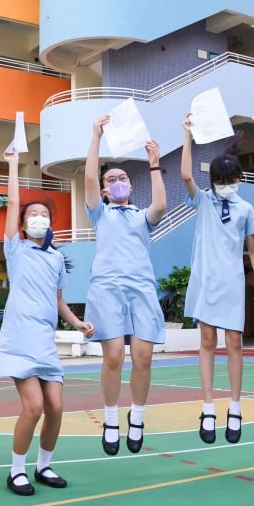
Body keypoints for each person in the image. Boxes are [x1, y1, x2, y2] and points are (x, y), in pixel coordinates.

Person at [0, 148, 94, 495]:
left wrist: (77, 323)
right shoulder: (15, 250)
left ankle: (43, 466)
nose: (37, 218)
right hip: (20, 340)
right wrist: (13, 165)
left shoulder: (56, 259)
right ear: (22, 224)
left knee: (56, 408)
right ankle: (16, 471)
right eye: (31, 215)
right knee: (33, 406)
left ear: (50, 223)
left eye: (43, 215)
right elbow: (11, 202)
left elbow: (58, 300)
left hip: (45, 343)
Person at [84, 115, 167, 455]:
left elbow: (161, 205)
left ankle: (138, 417)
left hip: (141, 288)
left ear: (131, 187)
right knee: (114, 356)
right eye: (111, 180)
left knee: (143, 357)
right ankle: (110, 419)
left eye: (122, 178)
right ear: (104, 190)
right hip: (107, 289)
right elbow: (89, 177)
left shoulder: (141, 216)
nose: (117, 182)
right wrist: (96, 137)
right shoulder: (99, 213)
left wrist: (154, 164)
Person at [181, 114, 254, 444]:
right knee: (206, 342)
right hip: (206, 281)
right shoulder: (202, 201)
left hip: (231, 283)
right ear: (213, 180)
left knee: (234, 343)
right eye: (221, 181)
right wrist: (187, 136)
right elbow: (185, 175)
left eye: (231, 180)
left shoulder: (245, 209)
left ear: (238, 179)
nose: (226, 185)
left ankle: (235, 406)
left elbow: (253, 249)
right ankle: (207, 407)